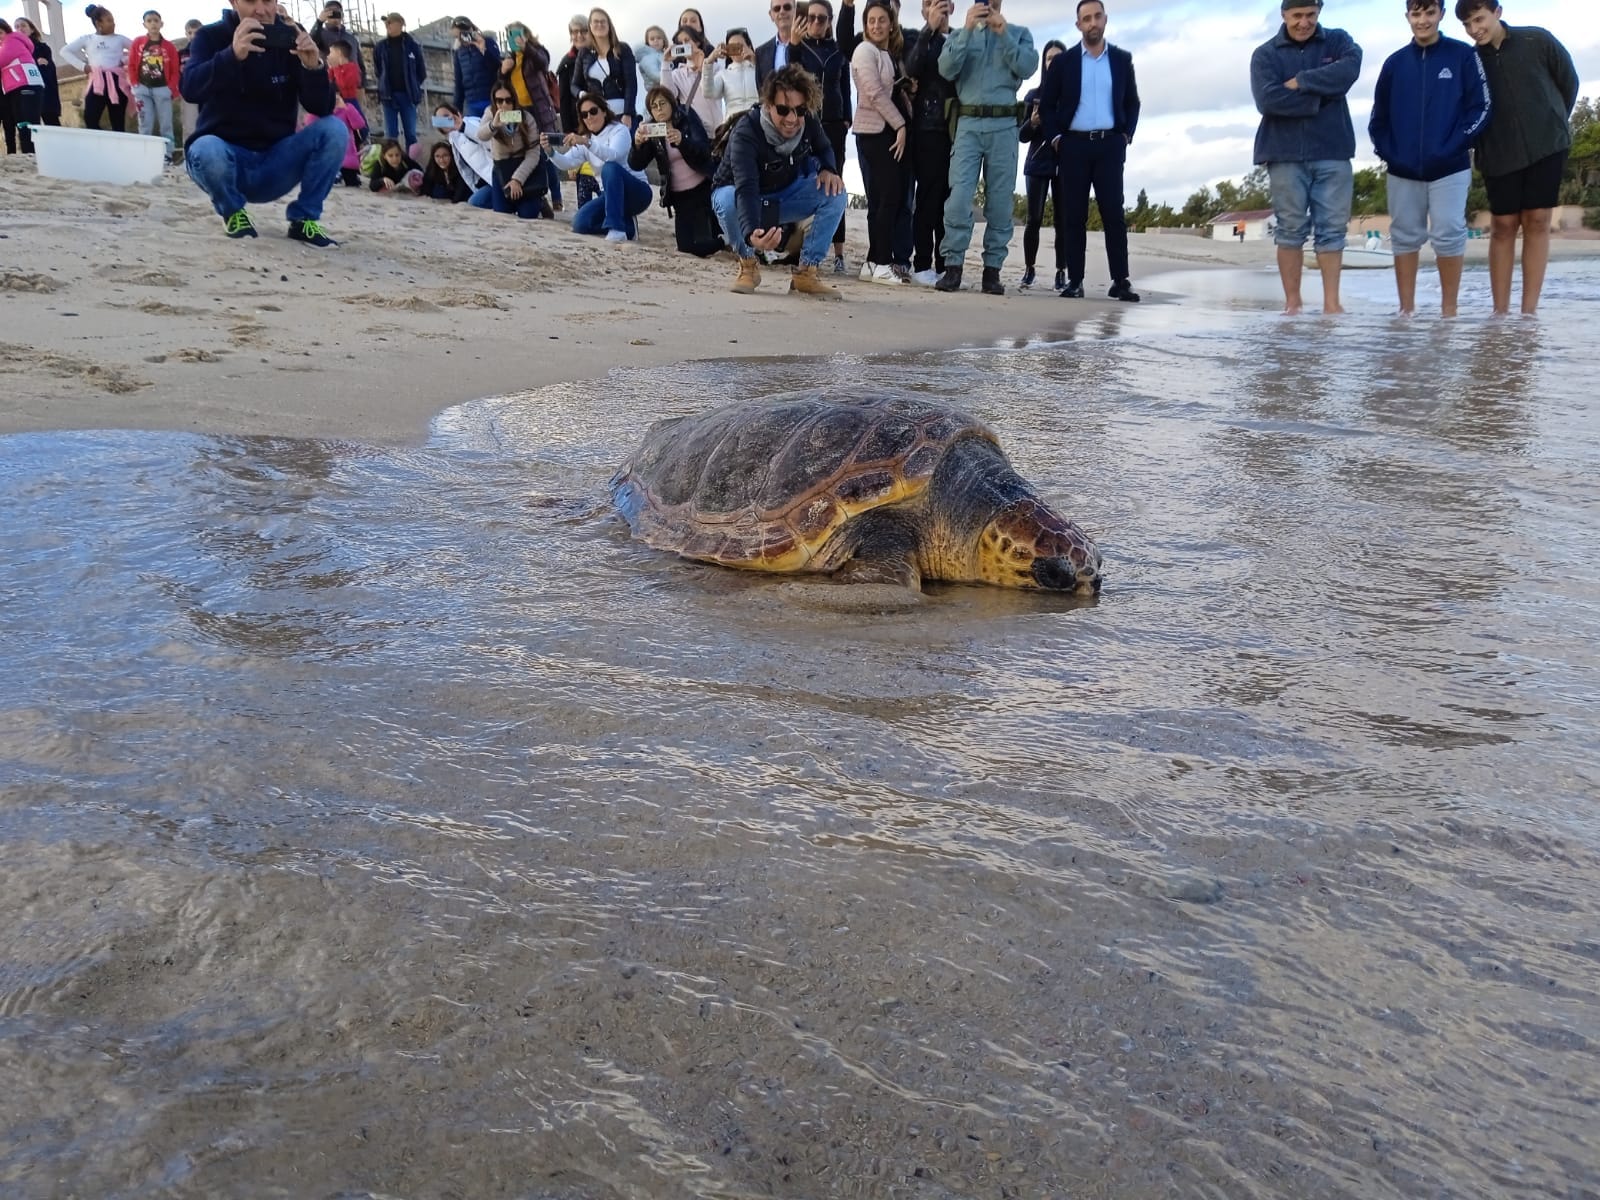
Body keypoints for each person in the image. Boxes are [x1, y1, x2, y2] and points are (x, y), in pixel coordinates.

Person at [180, 0, 345, 246]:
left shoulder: (291, 34)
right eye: (250, 1)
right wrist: (231, 56)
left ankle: (305, 219)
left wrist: (313, 68)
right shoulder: (211, 36)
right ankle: (233, 213)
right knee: (205, 149)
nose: (261, 9)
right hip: (226, 160)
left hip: (276, 162)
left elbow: (321, 107)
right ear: (233, 2)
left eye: (268, 0)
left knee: (335, 130)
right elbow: (190, 89)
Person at [1455, 0, 1578, 316]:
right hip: (1497, 151)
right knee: (1503, 225)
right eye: (1467, 24)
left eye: (1479, 19)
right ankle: (1499, 313)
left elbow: (1569, 81)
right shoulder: (1469, 60)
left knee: (1538, 221)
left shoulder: (1538, 39)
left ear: (1497, 12)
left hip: (1547, 145)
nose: (1474, 30)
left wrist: (1552, 119)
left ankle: (1528, 313)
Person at [1368, 0, 1489, 317]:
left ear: (1441, 15)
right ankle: (1405, 310)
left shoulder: (1464, 56)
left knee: (1448, 233)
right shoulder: (1394, 64)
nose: (1422, 21)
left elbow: (1481, 107)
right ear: (1407, 16)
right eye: (1416, 13)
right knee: (1405, 236)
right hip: (1402, 170)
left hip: (1450, 167)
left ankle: (1449, 311)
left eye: (1429, 13)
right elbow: (1378, 119)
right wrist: (1389, 152)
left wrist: (1457, 143)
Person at [1250, 1, 1362, 315]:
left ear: (1319, 12)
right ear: (1284, 15)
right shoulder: (1265, 54)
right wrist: (1322, 97)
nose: (1304, 22)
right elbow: (1268, 100)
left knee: (1332, 230)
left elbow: (1349, 71)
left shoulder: (1338, 40)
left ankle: (1331, 304)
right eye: (1297, 15)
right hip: (1283, 154)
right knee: (1289, 229)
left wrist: (1302, 82)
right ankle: (1292, 304)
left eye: (1310, 15)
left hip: (1333, 150)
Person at [710, 64, 848, 297]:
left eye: (800, 110)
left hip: (784, 194)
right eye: (783, 110)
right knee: (725, 199)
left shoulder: (807, 121)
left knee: (836, 192)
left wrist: (828, 168)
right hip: (743, 196)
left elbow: (824, 147)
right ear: (768, 105)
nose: (792, 118)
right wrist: (752, 232)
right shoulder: (746, 132)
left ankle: (806, 272)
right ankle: (748, 265)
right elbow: (746, 187)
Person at [934, 0, 1037, 295]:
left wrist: (1003, 33)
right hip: (968, 122)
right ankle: (953, 266)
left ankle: (992, 271)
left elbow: (1028, 66)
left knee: (1001, 204)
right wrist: (966, 29)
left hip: (1004, 125)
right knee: (958, 197)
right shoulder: (959, 34)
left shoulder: (1019, 33)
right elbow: (946, 68)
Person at [1039, 2, 1141, 301]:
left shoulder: (1122, 60)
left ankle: (1120, 280)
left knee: (1113, 213)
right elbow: (1047, 105)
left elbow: (1132, 102)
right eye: (1086, 19)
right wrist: (1057, 138)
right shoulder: (1065, 62)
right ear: (1078, 25)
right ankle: (1075, 280)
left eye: (1097, 17)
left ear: (1105, 20)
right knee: (1074, 215)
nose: (1092, 23)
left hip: (1110, 144)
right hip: (1074, 145)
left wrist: (1126, 134)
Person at [852, 0, 909, 285]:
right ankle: (883, 263)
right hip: (874, 133)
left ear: (890, 23)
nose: (876, 25)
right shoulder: (864, 50)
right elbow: (874, 93)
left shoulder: (886, 53)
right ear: (865, 25)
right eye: (871, 20)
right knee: (888, 198)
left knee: (881, 200)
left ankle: (873, 262)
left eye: (881, 20)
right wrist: (900, 124)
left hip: (881, 132)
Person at [796, 0, 853, 274]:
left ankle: (839, 253)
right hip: (806, 124)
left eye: (822, 18)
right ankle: (800, 249)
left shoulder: (837, 50)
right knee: (804, 181)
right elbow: (791, 78)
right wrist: (795, 46)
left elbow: (844, 84)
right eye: (812, 18)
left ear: (829, 21)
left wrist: (847, 117)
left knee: (835, 184)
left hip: (833, 125)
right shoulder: (799, 48)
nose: (816, 23)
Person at [631, 86, 723, 256]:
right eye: (654, 106)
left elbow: (704, 151)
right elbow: (636, 164)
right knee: (686, 248)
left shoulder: (687, 117)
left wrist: (683, 141)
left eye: (662, 103)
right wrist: (637, 144)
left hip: (703, 188)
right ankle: (722, 241)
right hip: (680, 196)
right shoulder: (652, 129)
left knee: (710, 241)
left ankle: (725, 241)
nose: (659, 109)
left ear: (671, 103)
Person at [545, 89, 649, 237]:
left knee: (610, 167)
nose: (589, 117)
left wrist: (587, 143)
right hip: (609, 195)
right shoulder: (586, 139)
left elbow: (613, 156)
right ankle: (628, 227)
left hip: (637, 192)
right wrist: (550, 152)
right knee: (579, 223)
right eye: (584, 114)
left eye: (593, 111)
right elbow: (567, 163)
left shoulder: (620, 130)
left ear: (604, 112)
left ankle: (617, 229)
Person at [903, 0, 956, 285]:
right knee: (927, 198)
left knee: (951, 201)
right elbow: (911, 68)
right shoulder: (917, 37)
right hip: (928, 128)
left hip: (959, 130)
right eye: (930, 3)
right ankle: (922, 263)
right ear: (924, 10)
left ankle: (945, 263)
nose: (938, 7)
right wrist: (929, 30)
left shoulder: (961, 37)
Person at [1017, 38, 1065, 290]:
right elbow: (1022, 135)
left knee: (1063, 220)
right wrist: (1033, 122)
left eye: (1058, 58)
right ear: (1044, 63)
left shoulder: (1072, 95)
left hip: (1064, 164)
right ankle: (1029, 269)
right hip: (1037, 163)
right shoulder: (1033, 96)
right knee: (1033, 219)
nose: (1053, 62)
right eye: (1049, 58)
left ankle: (1061, 272)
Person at [477, 85, 553, 217]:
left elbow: (533, 154)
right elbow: (481, 135)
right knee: (502, 212)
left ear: (514, 100)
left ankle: (540, 201)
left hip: (524, 166)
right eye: (499, 101)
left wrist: (517, 179)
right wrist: (493, 125)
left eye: (508, 100)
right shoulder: (490, 112)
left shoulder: (526, 117)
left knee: (527, 214)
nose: (504, 105)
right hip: (502, 168)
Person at [62, 6, 134, 132]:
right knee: (90, 118)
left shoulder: (120, 39)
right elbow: (65, 51)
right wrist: (83, 66)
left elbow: (138, 50)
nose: (113, 23)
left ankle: (118, 147)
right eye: (109, 20)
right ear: (98, 23)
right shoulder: (88, 39)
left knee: (118, 121)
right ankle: (102, 142)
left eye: (113, 20)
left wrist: (123, 60)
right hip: (97, 81)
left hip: (116, 81)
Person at [128, 10, 179, 160]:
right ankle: (145, 155)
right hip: (142, 89)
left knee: (166, 124)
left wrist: (171, 88)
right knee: (145, 123)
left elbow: (176, 70)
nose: (153, 24)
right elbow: (131, 64)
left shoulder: (169, 47)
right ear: (144, 24)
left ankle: (167, 154)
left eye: (156, 20)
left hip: (162, 89)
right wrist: (135, 84)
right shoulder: (138, 43)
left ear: (161, 24)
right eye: (149, 21)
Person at [575, 8, 638, 127]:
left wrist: (628, 113)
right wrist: (582, 94)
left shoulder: (622, 49)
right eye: (596, 21)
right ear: (590, 26)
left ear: (609, 25)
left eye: (603, 21)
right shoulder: (584, 53)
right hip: (597, 116)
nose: (599, 24)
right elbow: (574, 84)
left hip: (621, 112)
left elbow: (631, 83)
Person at [372, 13, 425, 150]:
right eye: (386, 23)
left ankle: (412, 164)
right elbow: (378, 70)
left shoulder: (412, 46)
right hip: (388, 96)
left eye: (391, 22)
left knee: (411, 134)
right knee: (391, 135)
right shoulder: (380, 47)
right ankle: (392, 165)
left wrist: (413, 85)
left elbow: (421, 71)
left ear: (400, 24)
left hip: (408, 96)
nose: (388, 25)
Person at [432, 100, 494, 206]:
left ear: (457, 114)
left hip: (496, 177)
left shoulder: (470, 123)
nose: (445, 121)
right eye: (440, 120)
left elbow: (487, 140)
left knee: (475, 202)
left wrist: (464, 127)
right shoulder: (453, 138)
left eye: (447, 116)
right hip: (483, 181)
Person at [662, 25, 722, 135]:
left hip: (718, 131)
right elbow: (668, 94)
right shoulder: (678, 73)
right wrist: (665, 63)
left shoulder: (715, 67)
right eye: (680, 43)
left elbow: (713, 92)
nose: (684, 45)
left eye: (687, 40)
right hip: (695, 133)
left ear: (697, 41)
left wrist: (703, 63)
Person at [451, 16, 501, 119]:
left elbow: (497, 67)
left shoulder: (487, 42)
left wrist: (483, 50)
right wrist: (456, 109)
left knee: (494, 130)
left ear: (470, 30)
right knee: (475, 132)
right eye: (456, 37)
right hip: (471, 102)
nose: (461, 39)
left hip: (491, 98)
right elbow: (458, 82)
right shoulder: (459, 52)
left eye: (462, 34)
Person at [705, 28, 760, 122]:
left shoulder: (760, 69)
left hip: (758, 120)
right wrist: (709, 61)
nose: (736, 50)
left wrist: (756, 62)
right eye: (731, 47)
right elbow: (709, 92)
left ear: (749, 46)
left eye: (740, 46)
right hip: (734, 123)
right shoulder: (724, 74)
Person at [308, 2, 364, 90]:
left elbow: (359, 61)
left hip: (355, 87)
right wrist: (319, 22)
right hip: (331, 88)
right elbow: (311, 42)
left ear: (342, 15)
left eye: (337, 12)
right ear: (326, 15)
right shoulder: (321, 34)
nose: (335, 16)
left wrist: (362, 83)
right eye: (331, 13)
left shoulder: (351, 37)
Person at [754, 0, 797, 84]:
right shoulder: (761, 52)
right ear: (771, 15)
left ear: (795, 11)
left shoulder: (810, 47)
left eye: (787, 7)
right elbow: (762, 90)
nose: (782, 11)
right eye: (777, 8)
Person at [177, 17, 199, 140]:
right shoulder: (181, 53)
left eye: (196, 32)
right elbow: (176, 72)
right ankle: (188, 157)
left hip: (206, 92)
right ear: (186, 34)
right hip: (188, 93)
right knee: (189, 126)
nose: (193, 36)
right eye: (190, 33)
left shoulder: (209, 51)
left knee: (208, 124)